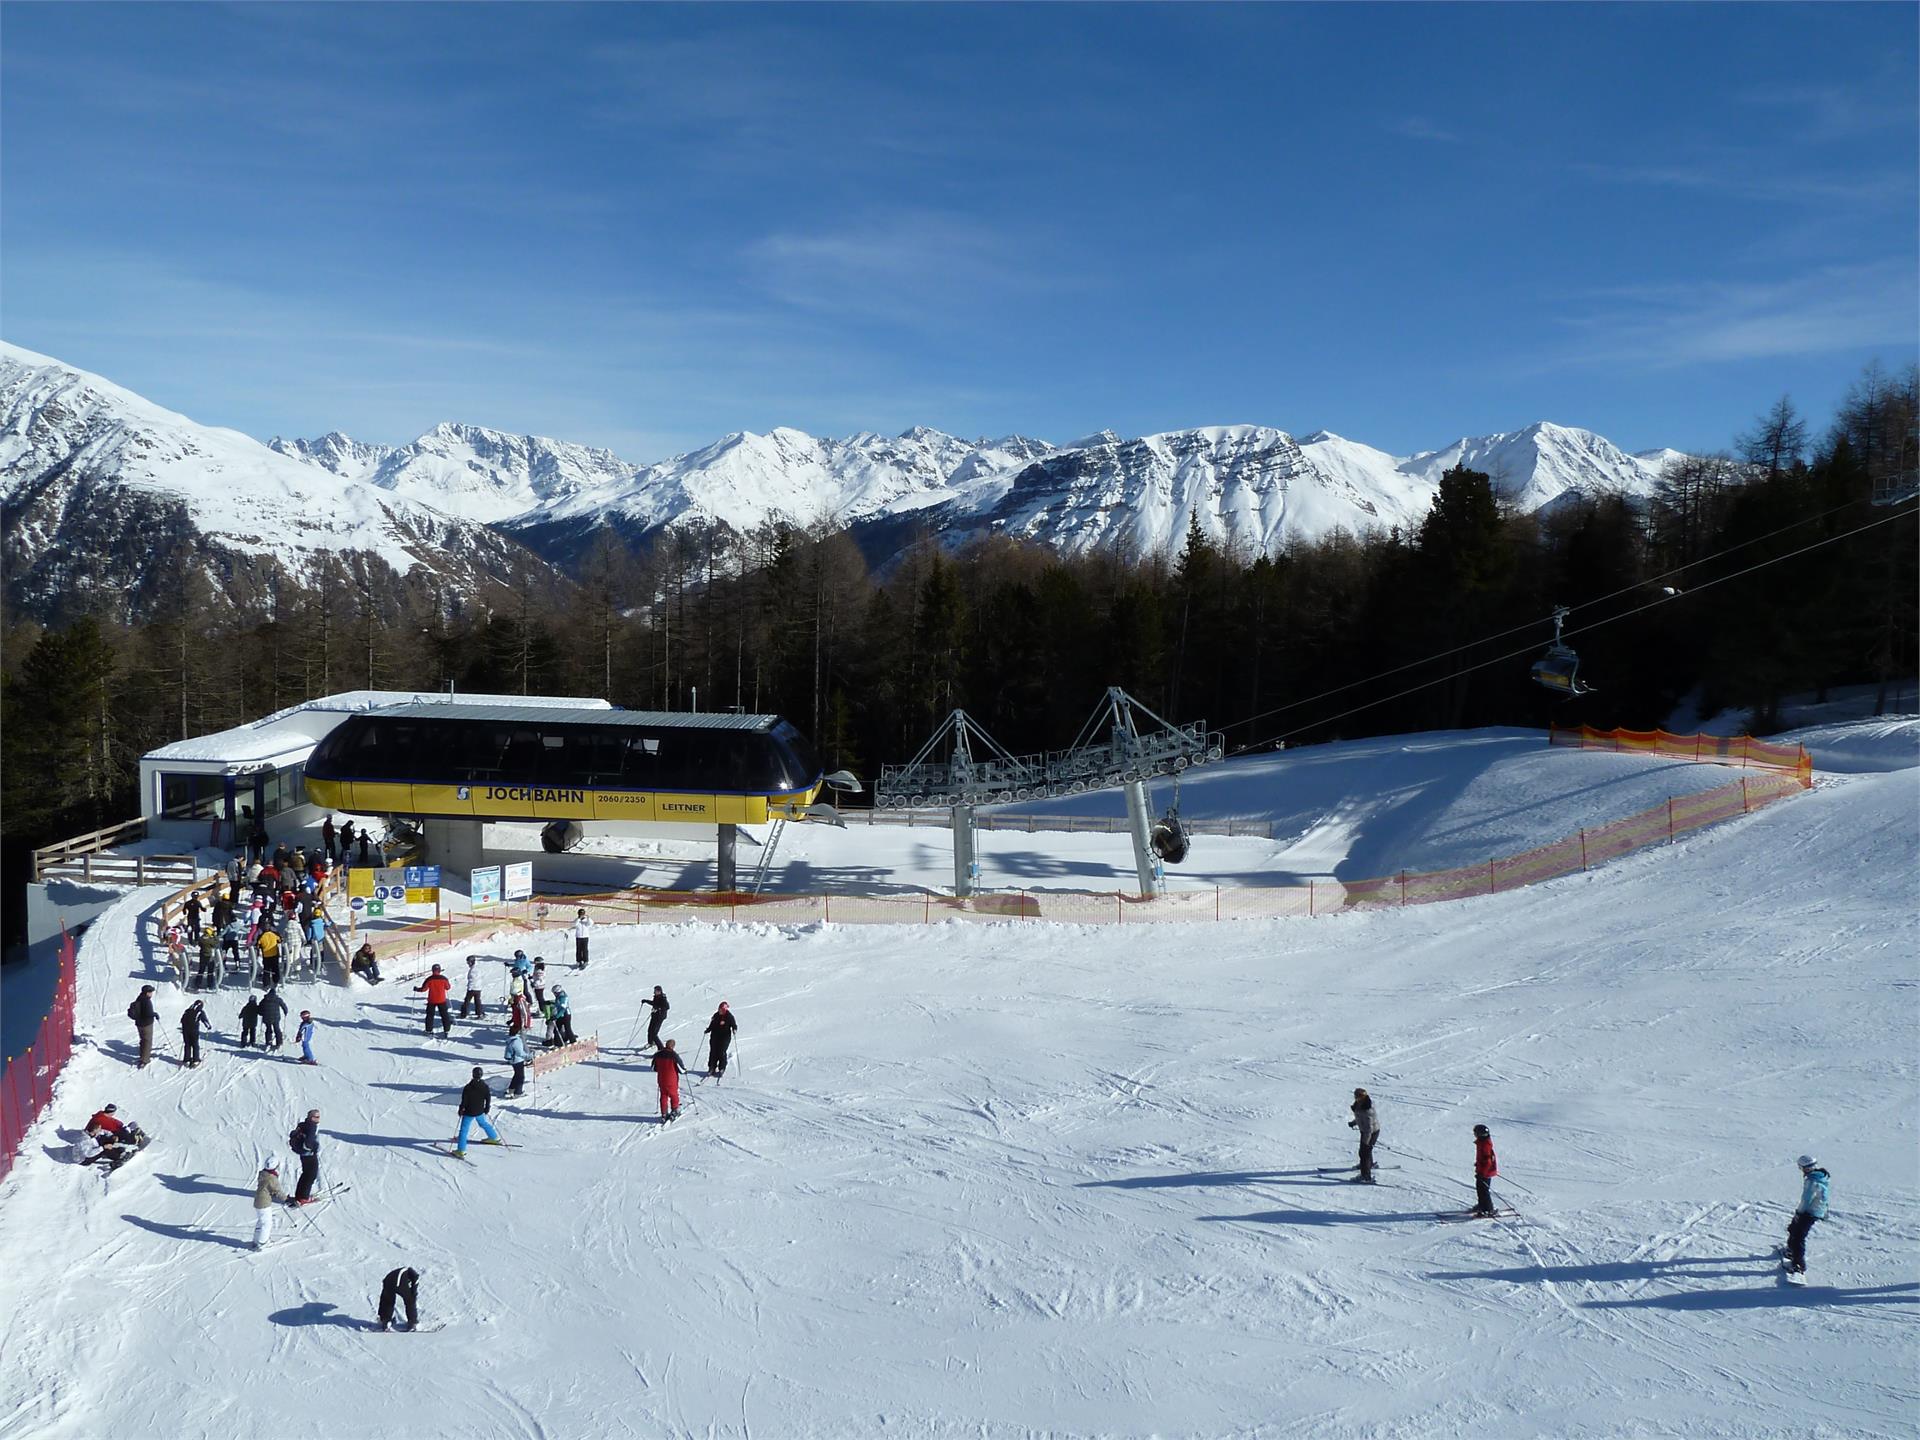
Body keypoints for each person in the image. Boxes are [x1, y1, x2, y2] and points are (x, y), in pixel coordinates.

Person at [1784, 1155, 1831, 1276]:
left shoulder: (1812, 1181)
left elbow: (1806, 1199)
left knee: (1798, 1237)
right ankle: (1790, 1251)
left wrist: (1799, 1213)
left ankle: (1798, 1264)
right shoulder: (1821, 1176)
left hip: (1809, 1212)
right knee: (1793, 1228)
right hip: (1817, 1209)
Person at [454, 1067, 503, 1155]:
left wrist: (461, 1109)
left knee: (464, 1130)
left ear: (473, 1075)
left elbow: (464, 1101)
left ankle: (461, 1150)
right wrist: (487, 1108)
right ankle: (494, 1137)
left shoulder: (468, 1087)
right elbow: (488, 1097)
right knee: (483, 1123)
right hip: (480, 1111)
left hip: (469, 1112)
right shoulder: (484, 1086)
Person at [253, 1158, 293, 1250]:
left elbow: (269, 1188)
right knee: (266, 1223)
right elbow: (277, 1191)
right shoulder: (271, 1178)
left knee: (261, 1221)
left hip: (258, 1200)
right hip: (264, 1202)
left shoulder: (263, 1174)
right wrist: (287, 1199)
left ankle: (256, 1240)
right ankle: (262, 1243)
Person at [289, 1109, 322, 1202]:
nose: (319, 1119)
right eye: (317, 1117)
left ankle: (299, 1195)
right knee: (311, 1175)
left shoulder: (302, 1124)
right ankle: (303, 1197)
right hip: (309, 1154)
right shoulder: (312, 1127)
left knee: (306, 1173)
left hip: (302, 1153)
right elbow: (308, 1144)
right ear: (311, 1117)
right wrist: (315, 1147)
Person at [1349, 1088, 1380, 1183]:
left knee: (1363, 1153)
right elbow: (1360, 1117)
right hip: (1368, 1131)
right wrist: (1354, 1122)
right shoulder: (1361, 1105)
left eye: (1357, 1097)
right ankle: (1369, 1165)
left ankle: (1365, 1176)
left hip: (1370, 1132)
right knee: (1367, 1151)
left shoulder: (1367, 1110)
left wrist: (1365, 1142)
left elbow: (1368, 1128)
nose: (1356, 1098)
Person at [378, 1266, 422, 1332]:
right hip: (399, 1281)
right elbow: (415, 1284)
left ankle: (386, 1321)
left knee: (387, 1301)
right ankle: (413, 1323)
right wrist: (413, 1293)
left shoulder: (404, 1271)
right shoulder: (413, 1275)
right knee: (410, 1300)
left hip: (387, 1281)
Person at [416, 964, 453, 1037]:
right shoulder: (443, 978)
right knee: (444, 1015)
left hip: (432, 1000)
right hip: (442, 1000)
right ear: (439, 970)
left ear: (432, 970)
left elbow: (424, 989)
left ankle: (429, 1030)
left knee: (430, 1016)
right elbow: (448, 987)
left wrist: (417, 989)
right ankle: (446, 1030)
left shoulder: (429, 979)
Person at [652, 1039, 686, 1121]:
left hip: (661, 1079)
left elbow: (653, 1068)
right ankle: (674, 1110)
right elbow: (681, 1069)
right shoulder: (673, 1055)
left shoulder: (658, 1054)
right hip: (671, 1079)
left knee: (663, 1095)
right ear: (673, 1046)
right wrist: (685, 1070)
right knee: (673, 1094)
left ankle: (664, 1113)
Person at [704, 1001, 737, 1079]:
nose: (719, 1011)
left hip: (725, 1037)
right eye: (719, 1009)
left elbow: (734, 1025)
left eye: (721, 1010)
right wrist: (708, 1030)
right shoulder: (716, 1015)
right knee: (713, 1052)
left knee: (721, 1052)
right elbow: (712, 1025)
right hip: (715, 1036)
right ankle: (712, 1067)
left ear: (725, 1009)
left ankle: (722, 1068)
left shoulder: (729, 1016)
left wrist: (734, 1029)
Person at [127, 985, 158, 1068]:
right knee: (147, 1041)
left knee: (143, 1040)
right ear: (147, 993)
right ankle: (145, 1059)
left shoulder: (139, 998)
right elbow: (148, 1013)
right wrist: (155, 1014)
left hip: (139, 1023)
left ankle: (142, 1054)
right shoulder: (146, 1001)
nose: (152, 994)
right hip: (146, 1024)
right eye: (151, 992)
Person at [1472, 1124, 1499, 1217]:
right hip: (1484, 1170)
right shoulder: (1482, 1142)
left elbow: (1488, 1161)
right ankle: (1482, 1205)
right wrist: (1478, 1164)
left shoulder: (1484, 1144)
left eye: (1475, 1133)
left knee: (1483, 1190)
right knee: (1480, 1189)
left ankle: (1488, 1209)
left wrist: (1482, 1173)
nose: (1474, 1134)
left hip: (1485, 1172)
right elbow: (1483, 1159)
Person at [180, 1000, 210, 1068]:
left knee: (187, 1044)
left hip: (185, 1030)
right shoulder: (200, 1012)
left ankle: (186, 1060)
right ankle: (195, 1060)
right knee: (195, 1045)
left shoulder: (187, 1010)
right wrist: (208, 1027)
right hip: (194, 1031)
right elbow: (205, 1021)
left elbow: (182, 1020)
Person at [259, 986, 289, 1050]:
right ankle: (279, 1042)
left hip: (266, 1017)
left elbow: (260, 1007)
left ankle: (268, 1042)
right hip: (276, 1018)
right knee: (277, 1030)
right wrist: (285, 1012)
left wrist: (261, 1013)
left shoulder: (264, 999)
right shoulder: (278, 999)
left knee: (268, 1029)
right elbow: (283, 1005)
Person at [504, 1028, 529, 1097]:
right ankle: (518, 1092)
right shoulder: (516, 1041)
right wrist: (528, 1056)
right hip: (518, 1060)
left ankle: (511, 1089)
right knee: (521, 1077)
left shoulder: (510, 1039)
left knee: (517, 1075)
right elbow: (520, 1053)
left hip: (512, 1060)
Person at [645, 986, 669, 1051]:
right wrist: (646, 1001)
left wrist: (658, 1008)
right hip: (655, 1016)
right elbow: (654, 1003)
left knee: (654, 1033)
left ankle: (661, 1048)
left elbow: (667, 1007)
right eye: (654, 991)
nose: (654, 992)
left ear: (659, 991)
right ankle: (650, 1043)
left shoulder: (663, 998)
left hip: (660, 1017)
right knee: (650, 1030)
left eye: (655, 991)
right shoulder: (656, 997)